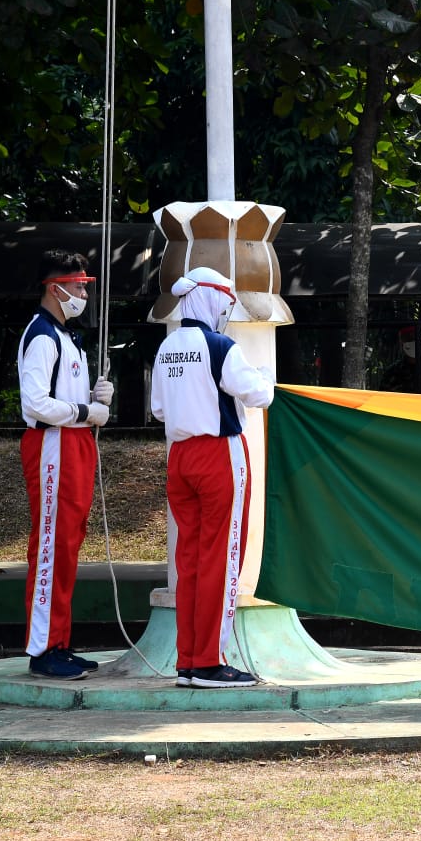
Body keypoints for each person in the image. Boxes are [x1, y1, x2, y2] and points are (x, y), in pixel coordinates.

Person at [150, 266, 274, 689]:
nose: (226, 309)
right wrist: (265, 378)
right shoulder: (221, 345)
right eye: (224, 300)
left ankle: (188, 660)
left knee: (191, 560)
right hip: (219, 453)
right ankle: (209, 662)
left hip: (179, 456)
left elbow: (160, 411)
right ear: (210, 299)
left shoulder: (167, 348)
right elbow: (260, 395)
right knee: (222, 559)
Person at [17, 249, 114, 680]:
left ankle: (59, 639)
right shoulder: (42, 336)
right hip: (53, 445)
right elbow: (36, 404)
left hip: (72, 444)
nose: (82, 293)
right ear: (55, 287)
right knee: (52, 542)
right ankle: (42, 648)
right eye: (77, 285)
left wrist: (95, 403)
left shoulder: (65, 336)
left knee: (69, 542)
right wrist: (84, 411)